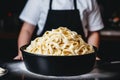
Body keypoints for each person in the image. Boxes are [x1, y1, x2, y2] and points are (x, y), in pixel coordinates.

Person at [14, 0, 104, 60]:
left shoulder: (89, 1)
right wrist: (21, 54)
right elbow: (27, 30)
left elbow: (94, 32)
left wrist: (92, 56)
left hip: (78, 58)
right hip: (44, 57)